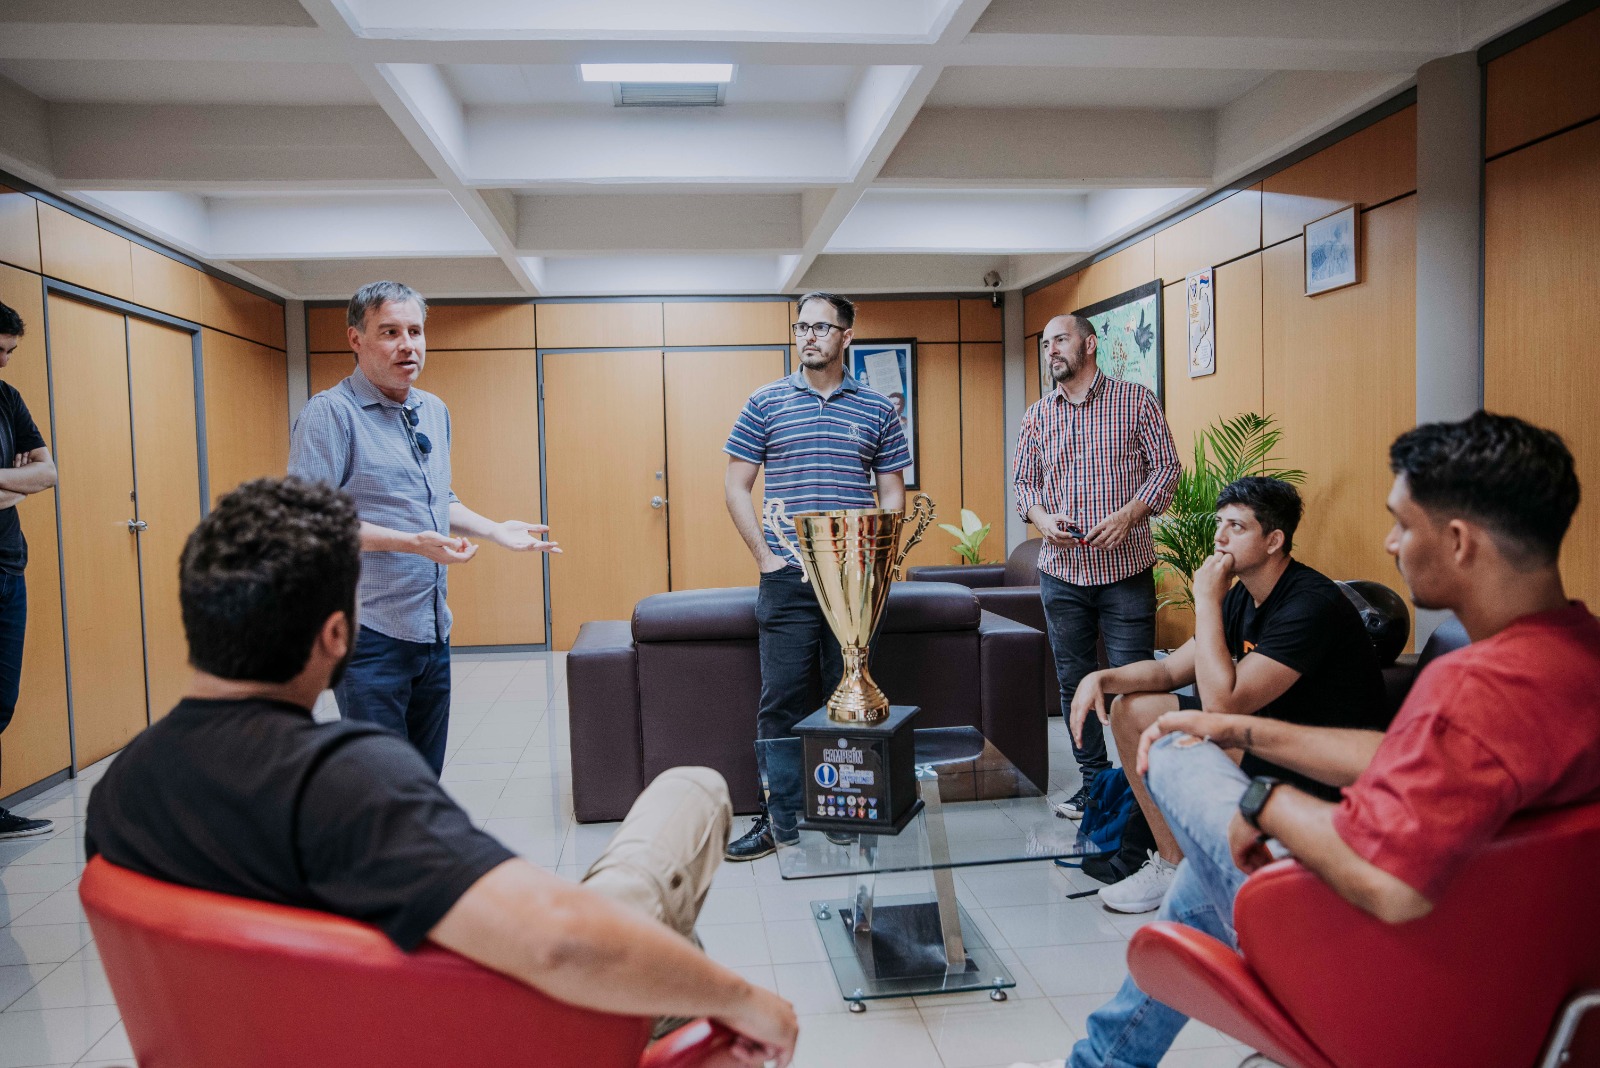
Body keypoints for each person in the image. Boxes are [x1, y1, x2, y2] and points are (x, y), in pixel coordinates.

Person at [83, 477, 797, 1066]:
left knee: (672, 841)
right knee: (694, 791)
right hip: (487, 1033)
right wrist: (740, 999)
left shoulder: (122, 786)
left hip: (305, 1035)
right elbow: (559, 944)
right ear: (338, 633)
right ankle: (678, 1023)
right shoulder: (341, 778)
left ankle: (672, 1018)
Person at [1009, 411, 1600, 1068]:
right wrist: (1236, 728)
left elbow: (1387, 883)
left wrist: (1263, 803)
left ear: (1459, 541)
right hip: (1505, 967)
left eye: (1403, 524)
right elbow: (1414, 760)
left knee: (1173, 753)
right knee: (1193, 798)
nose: (1389, 544)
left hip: (1371, 951)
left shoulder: (1471, 685)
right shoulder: (1575, 658)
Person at [1066, 477, 1390, 913]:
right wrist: (1102, 678)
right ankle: (1171, 864)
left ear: (1274, 540)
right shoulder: (1241, 595)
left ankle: (1230, 865)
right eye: (1220, 523)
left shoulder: (1309, 604)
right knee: (1132, 709)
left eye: (1236, 527)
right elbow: (1166, 670)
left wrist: (1205, 602)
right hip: (1264, 738)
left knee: (1183, 736)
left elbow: (1223, 706)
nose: (1219, 536)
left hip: (1322, 763)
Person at [288, 281, 559, 776]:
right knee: (382, 787)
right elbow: (309, 522)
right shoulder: (332, 414)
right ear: (356, 339)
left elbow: (438, 501)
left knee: (424, 779)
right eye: (389, 332)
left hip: (431, 629)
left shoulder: (432, 410)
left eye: (415, 331)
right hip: (370, 632)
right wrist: (410, 543)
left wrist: (495, 530)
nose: (407, 345)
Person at [722, 292, 910, 860]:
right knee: (780, 699)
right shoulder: (765, 402)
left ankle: (842, 814)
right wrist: (764, 557)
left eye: (821, 328)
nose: (808, 336)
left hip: (854, 583)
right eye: (801, 326)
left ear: (846, 336)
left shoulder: (878, 409)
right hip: (787, 579)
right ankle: (777, 820)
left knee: (845, 696)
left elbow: (893, 493)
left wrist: (880, 565)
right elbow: (736, 486)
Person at [1012, 313, 1180, 818]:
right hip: (1061, 573)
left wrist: (1131, 514)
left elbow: (1167, 468)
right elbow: (1024, 485)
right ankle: (1094, 785)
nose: (1051, 351)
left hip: (1126, 571)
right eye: (1045, 345)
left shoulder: (1135, 401)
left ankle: (1139, 789)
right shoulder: (1037, 416)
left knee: (1133, 682)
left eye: (1059, 340)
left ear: (1088, 345)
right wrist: (1041, 518)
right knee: (1073, 682)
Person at [0, 302, 58, 840]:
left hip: (6, 562)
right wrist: (13, 481)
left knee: (0, 697)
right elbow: (28, 477)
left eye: (9, 352)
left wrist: (19, 480)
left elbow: (48, 471)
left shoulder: (6, 399)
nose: (2, 362)